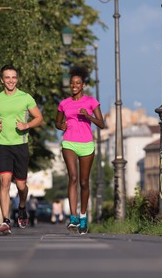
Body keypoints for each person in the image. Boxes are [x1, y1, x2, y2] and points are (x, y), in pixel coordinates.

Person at [0, 64, 43, 235]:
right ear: (2, 80)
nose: (11, 80)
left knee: (21, 186)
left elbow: (39, 118)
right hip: (2, 144)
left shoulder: (25, 98)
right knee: (4, 182)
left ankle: (22, 207)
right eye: (7, 77)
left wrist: (27, 124)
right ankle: (5, 221)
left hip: (20, 145)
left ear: (17, 79)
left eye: (13, 77)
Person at [55, 65, 105, 235]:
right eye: (72, 83)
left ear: (83, 85)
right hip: (69, 142)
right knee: (73, 177)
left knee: (84, 182)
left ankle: (83, 217)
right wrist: (61, 125)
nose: (74, 85)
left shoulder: (91, 101)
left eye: (78, 83)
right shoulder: (64, 103)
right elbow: (57, 123)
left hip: (86, 144)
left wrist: (88, 116)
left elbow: (102, 124)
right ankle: (74, 217)